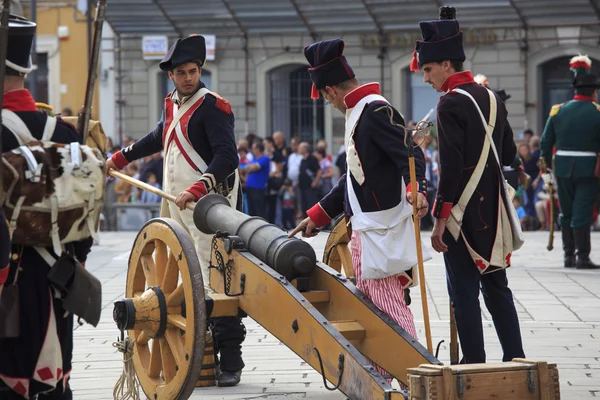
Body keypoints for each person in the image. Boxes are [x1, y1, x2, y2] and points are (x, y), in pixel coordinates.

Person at [105, 34, 246, 386]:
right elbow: (160, 136)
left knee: (217, 281)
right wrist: (121, 157)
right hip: (174, 201)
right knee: (182, 278)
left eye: (193, 71)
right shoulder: (172, 104)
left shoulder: (214, 106)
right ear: (171, 75)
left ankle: (230, 360)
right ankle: (195, 347)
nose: (188, 77)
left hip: (209, 204)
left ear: (200, 71)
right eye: (181, 72)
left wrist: (199, 188)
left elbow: (227, 157)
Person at [290, 38, 428, 379]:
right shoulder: (359, 111)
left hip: (382, 227)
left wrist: (415, 188)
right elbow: (354, 179)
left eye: (325, 96)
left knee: (389, 307)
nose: (328, 102)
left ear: (331, 90)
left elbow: (411, 155)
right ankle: (387, 369)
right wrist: (318, 215)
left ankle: (413, 371)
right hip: (368, 227)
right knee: (378, 306)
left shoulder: (375, 110)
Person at [411, 6, 525, 363]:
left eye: (428, 70)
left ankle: (473, 362)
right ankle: (517, 359)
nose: (426, 78)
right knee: (497, 288)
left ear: (447, 64)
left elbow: (452, 170)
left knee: (463, 291)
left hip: (461, 214)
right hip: (492, 211)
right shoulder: (491, 98)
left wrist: (440, 219)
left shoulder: (448, 105)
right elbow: (506, 152)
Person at [0, 14, 94, 399]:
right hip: (59, 279)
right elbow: (86, 217)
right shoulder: (66, 133)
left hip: (9, 286)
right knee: (54, 385)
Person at [540, 55, 600, 269]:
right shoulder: (597, 112)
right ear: (594, 92)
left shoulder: (559, 110)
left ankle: (568, 256)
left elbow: (546, 143)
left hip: (562, 168)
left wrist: (546, 167)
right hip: (589, 169)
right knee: (582, 211)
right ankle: (582, 257)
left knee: (566, 212)